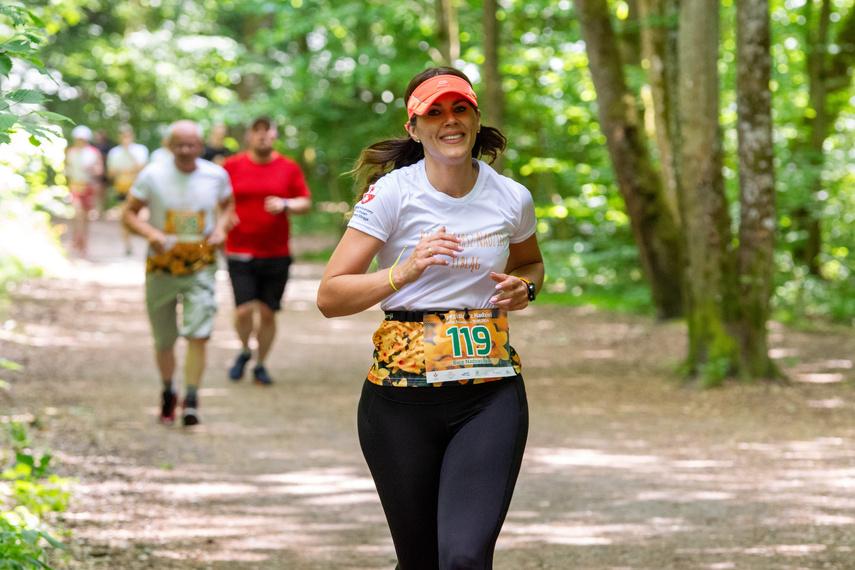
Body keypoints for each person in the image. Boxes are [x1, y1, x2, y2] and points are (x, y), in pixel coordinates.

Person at [316, 67, 544, 569]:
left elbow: (531, 262)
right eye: (434, 112)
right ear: (413, 128)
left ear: (476, 118)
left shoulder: (511, 197)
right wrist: (405, 270)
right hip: (399, 402)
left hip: (490, 394)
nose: (449, 121)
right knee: (419, 562)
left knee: (463, 557)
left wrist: (523, 287)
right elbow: (330, 296)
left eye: (459, 109)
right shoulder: (392, 194)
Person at [122, 120, 234, 427]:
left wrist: (221, 229)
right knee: (165, 339)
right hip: (161, 265)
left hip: (201, 264)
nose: (186, 150)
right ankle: (168, 390)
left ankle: (193, 398)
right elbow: (129, 212)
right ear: (169, 145)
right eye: (180, 144)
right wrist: (150, 233)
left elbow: (227, 206)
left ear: (200, 147)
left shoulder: (216, 175)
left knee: (198, 333)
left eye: (192, 145)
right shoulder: (152, 175)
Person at [223, 117, 312, 385]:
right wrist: (224, 215)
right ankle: (244, 349)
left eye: (267, 131)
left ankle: (260, 363)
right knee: (243, 311)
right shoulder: (231, 166)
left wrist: (286, 203)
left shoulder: (288, 168)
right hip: (238, 250)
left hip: (276, 253)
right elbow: (216, 198)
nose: (262, 136)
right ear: (248, 136)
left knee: (267, 313)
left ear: (274, 136)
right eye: (256, 131)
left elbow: (305, 202)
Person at [107, 124, 150, 255]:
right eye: (123, 136)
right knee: (124, 216)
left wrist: (129, 153)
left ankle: (143, 242)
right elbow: (110, 173)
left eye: (128, 135)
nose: (126, 138)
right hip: (122, 188)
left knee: (141, 216)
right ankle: (127, 244)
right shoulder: (114, 153)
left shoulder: (141, 150)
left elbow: (143, 168)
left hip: (138, 189)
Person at [64, 125, 103, 256]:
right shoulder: (70, 152)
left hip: (88, 186)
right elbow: (66, 170)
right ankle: (76, 238)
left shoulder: (93, 152)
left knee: (86, 215)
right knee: (76, 212)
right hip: (74, 186)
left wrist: (91, 169)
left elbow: (100, 170)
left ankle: (84, 240)